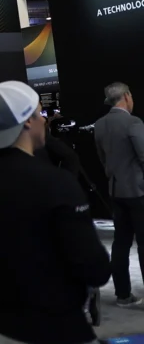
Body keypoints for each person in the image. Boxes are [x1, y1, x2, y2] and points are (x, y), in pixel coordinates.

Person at [0, 81, 110, 344]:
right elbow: (95, 269)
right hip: (59, 329)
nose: (44, 120)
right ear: (27, 120)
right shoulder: (58, 184)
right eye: (40, 113)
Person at [93, 81, 144, 307]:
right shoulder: (133, 122)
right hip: (138, 192)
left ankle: (123, 295)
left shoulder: (100, 124)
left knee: (120, 243)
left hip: (116, 190)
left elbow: (102, 158)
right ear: (126, 96)